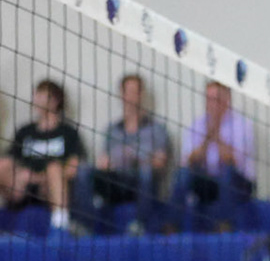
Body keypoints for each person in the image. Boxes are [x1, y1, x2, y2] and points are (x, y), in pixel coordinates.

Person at [89, 72, 170, 233]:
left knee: (146, 173)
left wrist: (135, 156)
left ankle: (138, 226)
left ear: (141, 94)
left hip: (141, 181)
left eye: (135, 91)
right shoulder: (112, 130)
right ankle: (89, 227)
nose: (131, 96)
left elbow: (160, 162)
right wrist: (115, 162)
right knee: (87, 172)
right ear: (121, 94)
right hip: (117, 180)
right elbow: (103, 163)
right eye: (127, 91)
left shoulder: (156, 129)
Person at [172, 81, 255, 231]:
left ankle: (224, 226)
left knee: (227, 173)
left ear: (227, 99)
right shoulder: (197, 124)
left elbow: (233, 161)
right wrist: (206, 139)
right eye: (209, 99)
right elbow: (188, 161)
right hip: (208, 181)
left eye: (216, 98)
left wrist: (216, 136)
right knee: (182, 174)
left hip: (238, 183)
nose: (212, 104)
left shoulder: (242, 124)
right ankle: (171, 228)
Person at [7, 79, 85, 232]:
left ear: (56, 100)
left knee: (54, 167)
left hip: (55, 188)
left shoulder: (68, 132)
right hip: (24, 188)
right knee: (3, 165)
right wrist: (23, 176)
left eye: (44, 95)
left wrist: (42, 178)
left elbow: (73, 167)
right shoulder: (25, 131)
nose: (38, 99)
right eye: (37, 95)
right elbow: (10, 161)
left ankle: (60, 225)